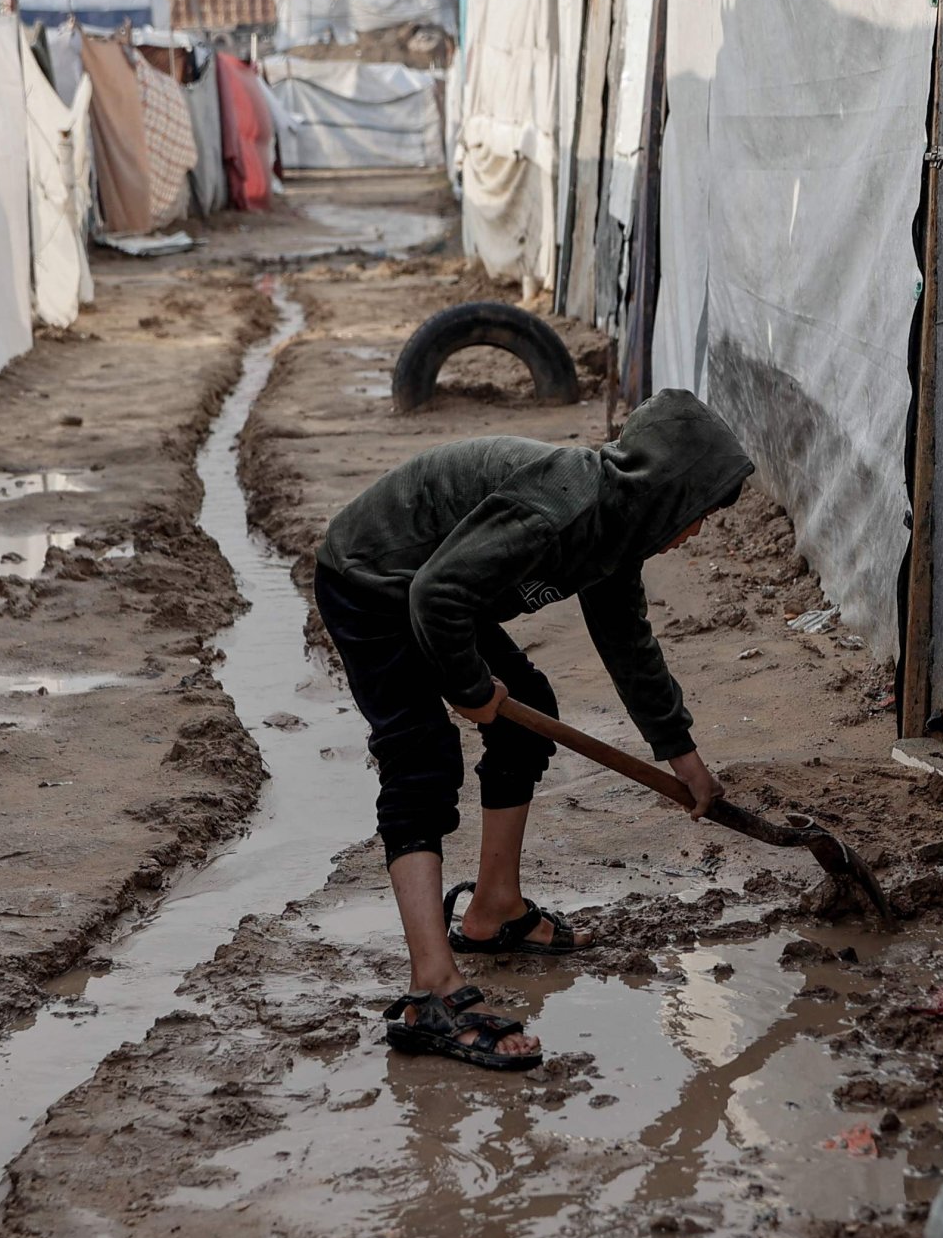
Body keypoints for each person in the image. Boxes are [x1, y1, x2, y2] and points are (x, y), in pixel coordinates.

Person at [312, 390, 754, 1071]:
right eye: (696, 513)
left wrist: (682, 756)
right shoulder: (564, 506)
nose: (693, 532)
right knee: (420, 758)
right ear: (667, 492)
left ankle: (493, 908)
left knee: (529, 713)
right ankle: (431, 987)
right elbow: (435, 597)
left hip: (436, 583)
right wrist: (467, 687)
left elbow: (628, 645)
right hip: (373, 578)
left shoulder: (614, 530)